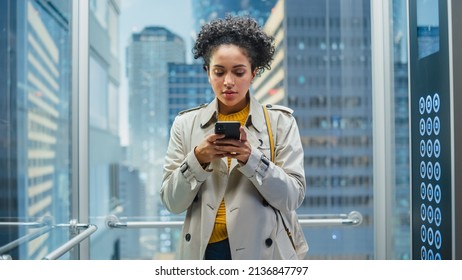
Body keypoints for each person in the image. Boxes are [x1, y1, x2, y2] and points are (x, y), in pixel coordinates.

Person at [160, 15, 307, 260]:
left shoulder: (281, 123)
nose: (228, 82)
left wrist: (253, 160)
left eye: (239, 72)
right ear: (208, 72)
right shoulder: (185, 125)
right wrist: (198, 159)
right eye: (219, 72)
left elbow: (292, 198)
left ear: (254, 73)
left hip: (261, 253)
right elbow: (172, 203)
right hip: (202, 252)